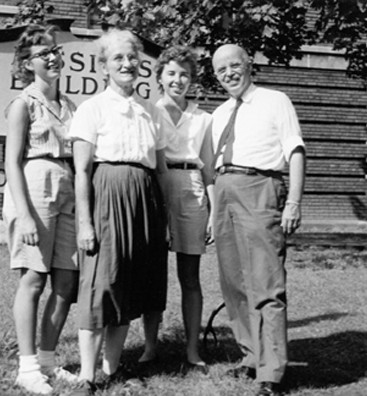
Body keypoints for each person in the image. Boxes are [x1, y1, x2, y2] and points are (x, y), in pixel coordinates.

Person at [68, 29, 168, 396]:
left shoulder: (150, 112)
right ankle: (87, 374)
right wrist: (84, 222)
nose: (127, 64)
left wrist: (165, 217)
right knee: (101, 283)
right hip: (107, 195)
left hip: (144, 199)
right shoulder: (91, 109)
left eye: (132, 58)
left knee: (128, 285)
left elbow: (159, 170)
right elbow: (82, 171)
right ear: (104, 66)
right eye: (118, 59)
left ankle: (111, 368)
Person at [210, 44, 306, 396]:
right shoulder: (219, 113)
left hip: (260, 188)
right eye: (221, 70)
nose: (229, 74)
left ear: (249, 64)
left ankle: (272, 372)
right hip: (223, 192)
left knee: (265, 282)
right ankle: (251, 357)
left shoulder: (275, 99)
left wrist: (293, 202)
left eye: (234, 65)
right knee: (234, 282)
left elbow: (295, 150)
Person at [2, 24, 79, 395]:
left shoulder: (69, 106)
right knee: (34, 278)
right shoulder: (23, 104)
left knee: (66, 281)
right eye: (41, 53)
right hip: (34, 188)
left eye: (54, 50)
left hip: (67, 188)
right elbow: (13, 162)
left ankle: (49, 360)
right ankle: (28, 367)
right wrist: (26, 214)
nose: (51, 56)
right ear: (26, 63)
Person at [139, 45, 215, 374]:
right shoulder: (147, 112)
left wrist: (213, 210)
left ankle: (193, 349)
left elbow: (210, 168)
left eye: (184, 74)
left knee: (190, 276)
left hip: (191, 188)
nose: (178, 79)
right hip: (157, 185)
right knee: (154, 274)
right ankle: (150, 346)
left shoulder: (203, 118)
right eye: (171, 72)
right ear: (159, 77)